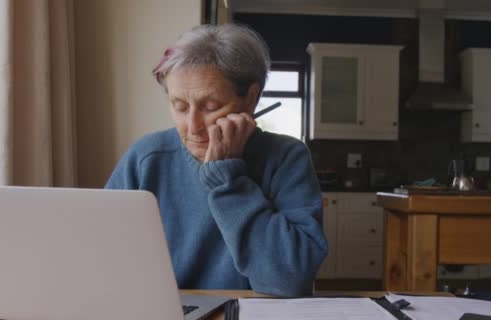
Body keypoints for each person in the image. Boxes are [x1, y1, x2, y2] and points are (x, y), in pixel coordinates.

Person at [104, 24, 327, 297]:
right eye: (179, 106)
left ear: (251, 99)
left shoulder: (287, 158)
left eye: (210, 107)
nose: (192, 126)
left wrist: (227, 179)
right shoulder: (145, 158)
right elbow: (101, 260)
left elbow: (290, 279)